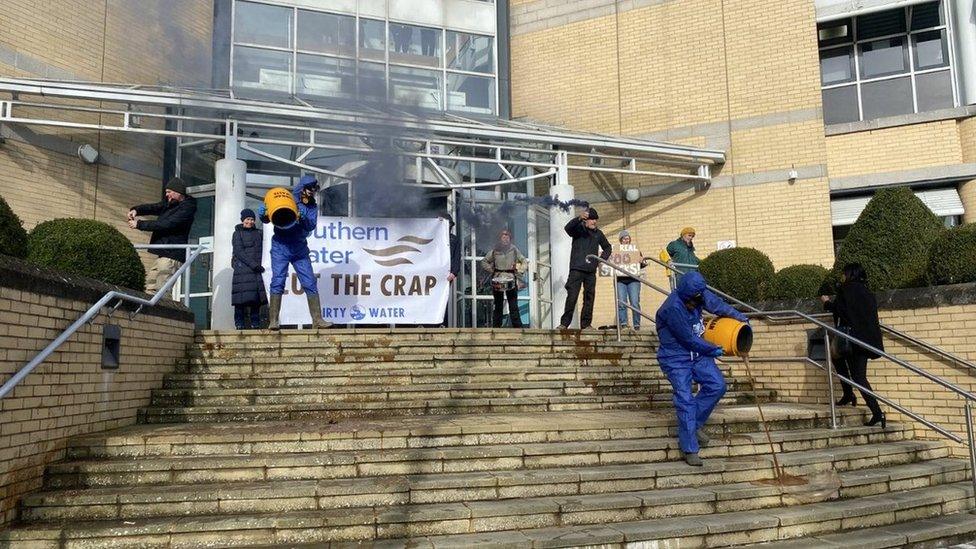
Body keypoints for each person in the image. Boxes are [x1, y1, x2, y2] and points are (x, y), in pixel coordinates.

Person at [655, 271, 749, 466]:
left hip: (698, 355)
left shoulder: (698, 293)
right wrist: (713, 349)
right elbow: (688, 339)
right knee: (685, 399)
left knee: (717, 385)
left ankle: (693, 424)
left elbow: (718, 306)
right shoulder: (672, 308)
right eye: (694, 301)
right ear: (686, 296)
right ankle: (690, 449)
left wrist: (741, 318)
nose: (698, 304)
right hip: (676, 358)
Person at [259, 175, 331, 331]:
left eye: (314, 189)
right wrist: (263, 214)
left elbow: (311, 225)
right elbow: (268, 218)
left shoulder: (312, 206)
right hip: (280, 246)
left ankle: (317, 320)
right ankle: (273, 321)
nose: (312, 192)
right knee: (278, 281)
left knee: (310, 282)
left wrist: (303, 218)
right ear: (303, 188)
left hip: (299, 248)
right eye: (310, 189)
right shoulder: (289, 199)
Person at [821, 263, 886, 428]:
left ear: (849, 274)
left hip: (852, 339)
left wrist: (827, 302)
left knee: (854, 373)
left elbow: (840, 310)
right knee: (846, 366)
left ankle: (874, 410)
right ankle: (850, 395)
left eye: (844, 273)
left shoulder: (846, 290)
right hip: (865, 341)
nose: (842, 276)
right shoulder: (867, 292)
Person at [128, 177, 197, 294]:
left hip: (171, 255)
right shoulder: (170, 204)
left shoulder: (187, 208)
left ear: (178, 192)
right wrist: (136, 210)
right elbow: (154, 207)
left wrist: (139, 224)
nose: (167, 195)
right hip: (163, 254)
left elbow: (166, 224)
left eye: (169, 192)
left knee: (162, 291)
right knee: (150, 288)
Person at [558, 207, 611, 330]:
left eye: (595, 220)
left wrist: (601, 259)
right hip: (576, 269)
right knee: (572, 296)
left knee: (589, 297)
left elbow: (607, 247)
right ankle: (564, 324)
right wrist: (578, 218)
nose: (594, 222)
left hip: (590, 271)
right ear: (586, 220)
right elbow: (567, 229)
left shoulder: (598, 234)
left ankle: (586, 324)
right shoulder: (579, 230)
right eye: (592, 219)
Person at [482, 229, 527, 328]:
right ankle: (496, 327)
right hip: (498, 278)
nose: (505, 238)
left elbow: (524, 261)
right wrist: (491, 269)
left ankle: (518, 327)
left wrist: (520, 269)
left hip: (511, 278)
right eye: (503, 236)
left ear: (510, 238)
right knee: (498, 304)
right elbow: (484, 261)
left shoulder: (514, 249)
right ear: (500, 238)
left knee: (513, 304)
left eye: (507, 236)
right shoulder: (495, 250)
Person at [231, 209, 267, 330]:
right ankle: (239, 323)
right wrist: (254, 265)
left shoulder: (259, 233)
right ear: (242, 220)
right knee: (240, 300)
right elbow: (239, 251)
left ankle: (255, 323)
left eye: (252, 219)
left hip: (256, 270)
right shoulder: (237, 234)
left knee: (255, 299)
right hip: (243, 270)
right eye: (247, 219)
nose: (250, 222)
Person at [616, 230, 649, 330]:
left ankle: (637, 325)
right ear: (621, 241)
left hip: (633, 279)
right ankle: (624, 324)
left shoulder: (635, 250)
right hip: (620, 280)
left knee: (634, 302)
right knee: (621, 303)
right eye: (624, 239)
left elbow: (642, 264)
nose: (626, 240)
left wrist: (643, 261)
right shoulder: (616, 251)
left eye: (628, 239)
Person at [438, 212, 461, 327]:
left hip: (447, 275)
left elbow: (457, 258)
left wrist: (454, 272)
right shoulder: (433, 237)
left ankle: (443, 323)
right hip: (433, 274)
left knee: (444, 298)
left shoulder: (454, 240)